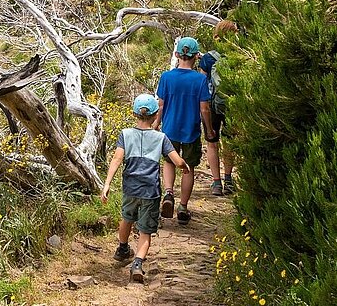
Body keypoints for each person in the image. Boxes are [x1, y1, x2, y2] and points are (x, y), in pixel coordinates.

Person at [100, 93, 191, 283]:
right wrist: (184, 166)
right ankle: (137, 264)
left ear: (134, 114)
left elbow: (117, 159)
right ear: (156, 115)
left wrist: (107, 184)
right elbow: (175, 160)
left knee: (126, 218)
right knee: (145, 231)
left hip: (130, 188)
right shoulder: (161, 138)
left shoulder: (125, 134)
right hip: (150, 191)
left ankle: (123, 247)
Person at [155, 36, 213, 226]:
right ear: (196, 56)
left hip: (169, 130)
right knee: (188, 168)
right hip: (191, 131)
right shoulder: (200, 80)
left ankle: (169, 193)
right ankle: (183, 207)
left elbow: (161, 106)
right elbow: (204, 109)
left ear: (177, 54)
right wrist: (209, 130)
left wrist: (155, 126)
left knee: (169, 162)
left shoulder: (166, 77)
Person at [199, 20, 239, 195]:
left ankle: (216, 183)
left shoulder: (208, 58)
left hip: (211, 106)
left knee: (212, 143)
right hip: (232, 105)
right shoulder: (239, 55)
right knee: (229, 142)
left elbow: (202, 84)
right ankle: (229, 179)